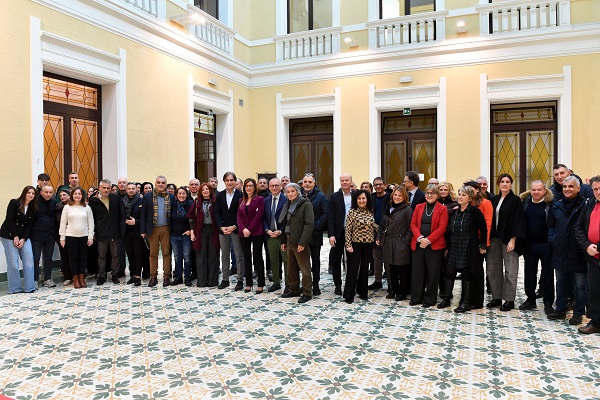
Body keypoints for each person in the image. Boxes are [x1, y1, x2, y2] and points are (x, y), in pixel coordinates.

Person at [547, 176, 587, 325]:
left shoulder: (585, 206)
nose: (567, 189)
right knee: (561, 282)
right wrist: (553, 239)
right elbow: (551, 225)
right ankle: (560, 309)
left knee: (580, 285)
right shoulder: (556, 205)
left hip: (579, 252)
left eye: (571, 186)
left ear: (578, 188)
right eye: (565, 187)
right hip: (560, 250)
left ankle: (578, 313)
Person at [440, 186, 487, 312]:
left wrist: (482, 245)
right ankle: (446, 298)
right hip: (454, 245)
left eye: (464, 195)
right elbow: (451, 231)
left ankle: (466, 302)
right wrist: (447, 247)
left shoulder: (474, 211)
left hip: (468, 247)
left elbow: (483, 228)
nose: (460, 197)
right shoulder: (455, 211)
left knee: (466, 274)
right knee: (449, 272)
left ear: (470, 198)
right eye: (459, 194)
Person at [487, 174, 526, 311]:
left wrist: (513, 239)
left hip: (508, 239)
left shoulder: (516, 200)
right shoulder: (494, 199)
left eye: (507, 182)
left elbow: (518, 220)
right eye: (502, 182)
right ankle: (496, 297)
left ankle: (509, 300)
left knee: (511, 270)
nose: (505, 184)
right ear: (498, 184)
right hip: (494, 239)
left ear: (511, 184)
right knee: (493, 269)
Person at [409, 184, 449, 307]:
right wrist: (420, 238)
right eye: (427, 193)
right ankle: (416, 297)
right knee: (417, 272)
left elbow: (442, 228)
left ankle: (430, 299)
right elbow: (413, 224)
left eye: (432, 193)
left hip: (434, 245)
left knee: (433, 273)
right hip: (418, 244)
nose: (429, 195)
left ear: (437, 195)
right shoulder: (418, 207)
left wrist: (428, 240)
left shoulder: (442, 209)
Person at [519, 181, 555, 314]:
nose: (536, 192)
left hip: (546, 245)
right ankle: (530, 299)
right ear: (530, 190)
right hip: (529, 246)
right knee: (529, 274)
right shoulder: (525, 203)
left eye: (539, 190)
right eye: (533, 190)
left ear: (544, 191)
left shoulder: (550, 205)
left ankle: (548, 302)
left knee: (547, 275)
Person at [376, 185, 412, 301]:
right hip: (388, 242)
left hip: (400, 242)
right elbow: (382, 225)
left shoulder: (407, 209)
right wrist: (379, 237)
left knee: (402, 269)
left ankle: (402, 292)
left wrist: (406, 241)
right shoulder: (389, 207)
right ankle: (393, 289)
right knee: (391, 268)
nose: (397, 197)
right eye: (395, 195)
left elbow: (411, 227)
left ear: (404, 197)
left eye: (400, 195)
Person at [280, 183, 314, 303]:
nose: (290, 194)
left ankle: (307, 292)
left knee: (304, 269)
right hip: (289, 240)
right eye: (288, 192)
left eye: (292, 191)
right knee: (291, 268)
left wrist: (303, 242)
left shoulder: (305, 204)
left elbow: (309, 224)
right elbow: (285, 224)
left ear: (298, 192)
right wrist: (284, 241)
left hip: (300, 241)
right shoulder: (288, 204)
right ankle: (293, 289)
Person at [575, 175, 600, 334]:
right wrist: (586, 246)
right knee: (595, 291)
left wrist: (598, 247)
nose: (598, 192)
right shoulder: (590, 204)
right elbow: (578, 228)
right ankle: (596, 322)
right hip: (591, 256)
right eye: (595, 189)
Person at [0, 186, 37, 294]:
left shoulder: (33, 208)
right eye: (29, 193)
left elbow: (29, 225)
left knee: (29, 260)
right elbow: (9, 219)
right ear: (24, 193)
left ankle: (29, 287)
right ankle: (15, 288)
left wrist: (24, 239)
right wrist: (15, 236)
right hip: (9, 235)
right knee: (13, 263)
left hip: (24, 236)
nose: (31, 195)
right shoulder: (14, 203)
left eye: (33, 193)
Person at [140, 176, 176, 287]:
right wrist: (143, 230)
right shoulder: (147, 196)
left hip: (166, 228)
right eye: (158, 182)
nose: (161, 184)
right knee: (153, 253)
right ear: (155, 184)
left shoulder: (171, 197)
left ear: (166, 184)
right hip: (153, 228)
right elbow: (143, 214)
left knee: (166, 253)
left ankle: (166, 277)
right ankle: (153, 276)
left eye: (163, 183)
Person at [343, 190, 377, 304]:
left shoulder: (370, 211)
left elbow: (373, 226)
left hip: (368, 244)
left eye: (363, 198)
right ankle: (349, 294)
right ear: (356, 200)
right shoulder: (352, 212)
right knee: (353, 269)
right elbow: (348, 230)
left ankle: (362, 292)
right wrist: (348, 245)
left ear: (367, 199)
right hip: (355, 244)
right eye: (359, 199)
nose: (361, 201)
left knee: (364, 268)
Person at [463, 180, 492, 309]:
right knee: (468, 271)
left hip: (479, 242)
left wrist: (483, 245)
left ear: (477, 190)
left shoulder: (485, 203)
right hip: (467, 242)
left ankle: (477, 300)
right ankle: (467, 297)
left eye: (470, 188)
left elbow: (487, 224)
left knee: (477, 271)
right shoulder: (467, 203)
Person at [214, 172, 245, 290]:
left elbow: (242, 213)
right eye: (227, 180)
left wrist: (235, 226)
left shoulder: (241, 195)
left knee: (238, 255)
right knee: (225, 255)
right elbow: (216, 212)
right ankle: (225, 279)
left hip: (236, 229)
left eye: (232, 180)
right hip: (223, 230)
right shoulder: (220, 195)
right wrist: (221, 227)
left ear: (235, 181)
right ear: (224, 182)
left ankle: (240, 280)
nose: (230, 182)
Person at [89, 179, 123, 285]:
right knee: (101, 255)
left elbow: (121, 214)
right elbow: (91, 218)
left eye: (108, 188)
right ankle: (102, 275)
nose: (106, 190)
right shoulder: (93, 200)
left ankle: (115, 275)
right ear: (99, 188)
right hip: (101, 232)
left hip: (115, 231)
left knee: (115, 255)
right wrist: (93, 232)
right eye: (104, 188)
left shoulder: (116, 198)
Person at [59, 187, 94, 289]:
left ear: (82, 195)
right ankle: (75, 279)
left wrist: (90, 236)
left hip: (84, 236)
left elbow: (91, 223)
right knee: (73, 258)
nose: (77, 196)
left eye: (79, 194)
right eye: (75, 194)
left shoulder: (87, 207)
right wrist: (62, 237)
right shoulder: (67, 207)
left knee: (83, 258)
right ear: (72, 195)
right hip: (70, 237)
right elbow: (63, 223)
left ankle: (82, 278)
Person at [188, 182, 220, 287]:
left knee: (213, 255)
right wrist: (192, 232)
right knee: (201, 256)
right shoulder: (197, 201)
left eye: (207, 189)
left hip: (213, 230)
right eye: (203, 189)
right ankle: (201, 281)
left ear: (210, 190)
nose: (205, 191)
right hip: (200, 230)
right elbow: (191, 218)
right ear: (200, 191)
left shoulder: (216, 201)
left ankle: (212, 281)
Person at [237, 178, 265, 294]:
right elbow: (238, 217)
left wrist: (249, 229)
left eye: (251, 186)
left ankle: (260, 283)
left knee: (257, 257)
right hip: (244, 233)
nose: (248, 188)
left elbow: (258, 216)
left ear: (255, 187)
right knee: (246, 258)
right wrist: (243, 229)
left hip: (256, 232)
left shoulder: (260, 199)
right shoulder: (241, 201)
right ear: (244, 188)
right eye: (247, 186)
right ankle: (248, 283)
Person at [302, 173, 328, 296]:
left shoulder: (321, 196)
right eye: (305, 182)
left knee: (315, 260)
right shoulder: (298, 195)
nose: (307, 184)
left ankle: (316, 284)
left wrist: (314, 227)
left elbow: (325, 214)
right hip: (301, 235)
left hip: (315, 234)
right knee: (302, 261)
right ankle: (306, 284)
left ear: (314, 183)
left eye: (310, 182)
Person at [328, 173, 354, 295]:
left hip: (354, 233)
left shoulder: (357, 195)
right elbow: (331, 216)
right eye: (342, 180)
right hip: (338, 233)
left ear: (351, 181)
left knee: (352, 260)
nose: (344, 182)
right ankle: (338, 285)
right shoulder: (334, 197)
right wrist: (331, 234)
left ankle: (350, 285)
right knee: (336, 260)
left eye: (346, 180)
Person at [262, 178, 287, 293]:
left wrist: (281, 231)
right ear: (269, 187)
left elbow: (289, 219)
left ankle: (289, 284)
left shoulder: (286, 199)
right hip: (270, 236)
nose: (274, 187)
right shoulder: (265, 200)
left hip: (283, 236)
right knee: (273, 260)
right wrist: (267, 230)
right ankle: (276, 282)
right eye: (272, 185)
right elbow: (263, 218)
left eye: (277, 185)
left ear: (281, 186)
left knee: (286, 260)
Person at [30, 184, 57, 287]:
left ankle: (47, 279)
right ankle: (35, 280)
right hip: (36, 235)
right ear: (41, 192)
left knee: (48, 258)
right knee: (36, 258)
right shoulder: (35, 202)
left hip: (50, 236)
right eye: (46, 192)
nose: (48, 194)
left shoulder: (54, 202)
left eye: (50, 192)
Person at [120, 182, 144, 286]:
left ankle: (138, 276)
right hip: (126, 231)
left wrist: (136, 222)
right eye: (129, 188)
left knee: (138, 254)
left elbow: (145, 216)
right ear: (126, 190)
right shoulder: (122, 201)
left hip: (137, 231)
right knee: (129, 254)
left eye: (133, 189)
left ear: (136, 190)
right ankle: (133, 275)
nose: (131, 190)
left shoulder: (141, 200)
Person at [368, 177, 390, 291]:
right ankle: (378, 281)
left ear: (385, 185)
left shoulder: (390, 198)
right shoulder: (371, 198)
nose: (378, 186)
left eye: (380, 184)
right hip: (373, 231)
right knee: (377, 257)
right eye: (375, 185)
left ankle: (390, 283)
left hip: (386, 231)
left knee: (387, 257)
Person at [170, 187, 193, 285]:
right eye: (179, 193)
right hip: (174, 235)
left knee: (187, 257)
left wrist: (190, 231)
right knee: (177, 257)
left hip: (186, 236)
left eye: (183, 193)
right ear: (176, 195)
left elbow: (193, 219)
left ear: (186, 195)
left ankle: (187, 277)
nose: (181, 195)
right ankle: (178, 277)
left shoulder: (190, 204)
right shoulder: (173, 205)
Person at [55, 188, 73, 286]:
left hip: (74, 234)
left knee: (74, 256)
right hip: (61, 236)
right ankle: (68, 277)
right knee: (65, 257)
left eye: (64, 195)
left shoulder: (74, 206)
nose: (62, 197)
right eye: (60, 195)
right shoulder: (57, 207)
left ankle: (77, 275)